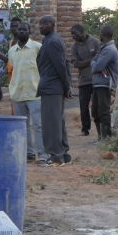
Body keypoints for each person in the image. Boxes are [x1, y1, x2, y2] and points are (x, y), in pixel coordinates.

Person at [36, 15, 73, 167]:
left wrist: (66, 87)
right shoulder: (49, 40)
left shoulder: (52, 41)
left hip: (53, 87)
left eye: (45, 23)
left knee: (51, 123)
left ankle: (56, 155)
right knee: (58, 121)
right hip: (53, 86)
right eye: (40, 23)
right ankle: (63, 153)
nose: (41, 26)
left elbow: (61, 66)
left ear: (53, 25)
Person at [7, 22, 46, 162]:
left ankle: (42, 155)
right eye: (19, 29)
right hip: (17, 93)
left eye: (24, 29)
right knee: (23, 126)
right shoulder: (12, 51)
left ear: (30, 32)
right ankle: (29, 153)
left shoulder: (37, 48)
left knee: (39, 125)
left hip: (35, 92)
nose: (21, 31)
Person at [70, 24, 101, 136]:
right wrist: (91, 60)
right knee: (83, 105)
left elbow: (100, 59)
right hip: (83, 80)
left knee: (97, 106)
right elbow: (75, 64)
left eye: (75, 33)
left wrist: (83, 62)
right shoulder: (74, 46)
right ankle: (85, 129)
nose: (73, 36)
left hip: (96, 79)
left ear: (82, 32)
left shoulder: (95, 42)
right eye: (72, 34)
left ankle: (100, 129)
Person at [91, 25, 118, 142]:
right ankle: (100, 137)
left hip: (105, 83)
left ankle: (106, 138)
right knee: (96, 111)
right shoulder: (105, 47)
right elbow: (95, 63)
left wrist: (93, 63)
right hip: (98, 83)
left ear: (103, 34)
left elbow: (97, 65)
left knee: (103, 110)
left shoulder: (109, 49)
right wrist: (94, 63)